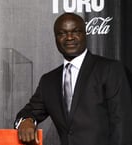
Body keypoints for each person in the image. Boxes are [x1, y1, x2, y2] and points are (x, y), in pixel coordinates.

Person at [14, 13, 132, 145]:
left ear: (85, 34)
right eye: (62, 33)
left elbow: (123, 125)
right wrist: (27, 121)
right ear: (55, 38)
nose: (69, 37)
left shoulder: (111, 70)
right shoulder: (49, 81)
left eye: (75, 31)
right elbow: (30, 111)